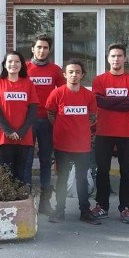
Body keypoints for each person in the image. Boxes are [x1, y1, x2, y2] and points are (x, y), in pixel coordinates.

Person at [91, 43, 129, 224]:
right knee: (102, 171)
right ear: (108, 59)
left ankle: (126, 208)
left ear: (125, 58)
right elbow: (99, 102)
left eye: (119, 56)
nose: (116, 59)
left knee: (127, 172)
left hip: (127, 134)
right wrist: (121, 100)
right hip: (104, 132)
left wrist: (109, 101)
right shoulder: (99, 80)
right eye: (113, 56)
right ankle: (102, 205)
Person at [46, 60, 101, 225]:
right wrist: (62, 129)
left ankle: (85, 211)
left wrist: (81, 130)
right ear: (65, 75)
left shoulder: (88, 95)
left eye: (77, 72)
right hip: (62, 145)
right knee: (62, 178)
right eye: (70, 72)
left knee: (82, 179)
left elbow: (92, 117)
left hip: (82, 146)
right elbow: (50, 114)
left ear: (82, 75)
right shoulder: (57, 93)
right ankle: (59, 210)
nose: (74, 75)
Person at [26, 35, 64, 214]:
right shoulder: (24, 68)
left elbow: (64, 93)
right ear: (32, 49)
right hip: (27, 120)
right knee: (26, 160)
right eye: (39, 47)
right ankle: (25, 200)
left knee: (45, 161)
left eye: (45, 48)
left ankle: (45, 201)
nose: (42, 51)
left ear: (49, 50)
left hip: (47, 121)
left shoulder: (56, 70)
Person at [0, 50, 39, 186]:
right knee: (7, 173)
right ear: (5, 65)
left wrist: (21, 132)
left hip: (24, 136)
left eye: (17, 61)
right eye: (10, 61)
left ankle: (21, 205)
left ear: (22, 65)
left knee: (21, 173)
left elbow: (33, 108)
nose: (13, 64)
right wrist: (9, 131)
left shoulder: (28, 83)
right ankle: (10, 204)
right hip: (4, 136)